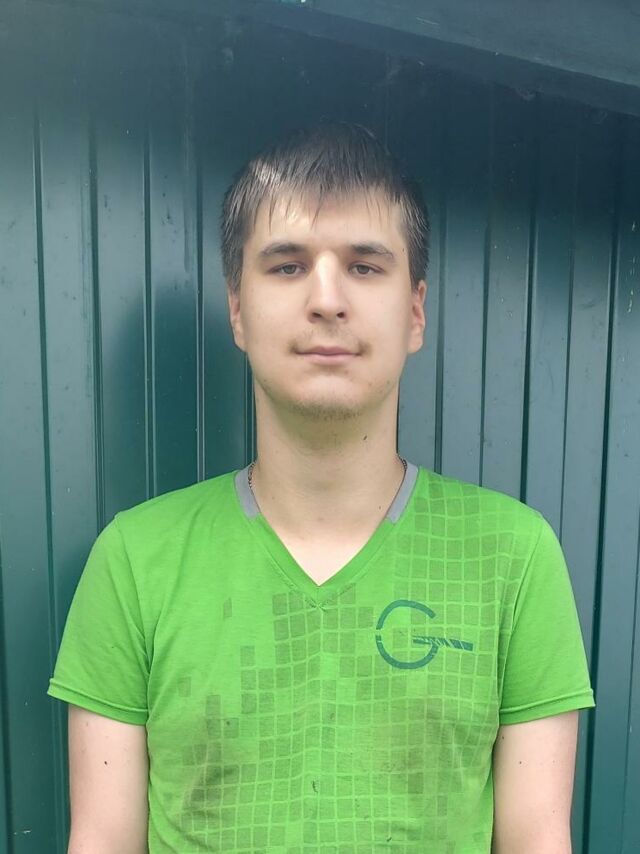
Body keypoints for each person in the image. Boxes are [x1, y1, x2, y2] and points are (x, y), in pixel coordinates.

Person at [48, 122, 594, 853]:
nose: (327, 299)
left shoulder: (513, 557)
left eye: (365, 266)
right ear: (238, 310)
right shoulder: (133, 561)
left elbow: (535, 839)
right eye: (287, 266)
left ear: (415, 312)